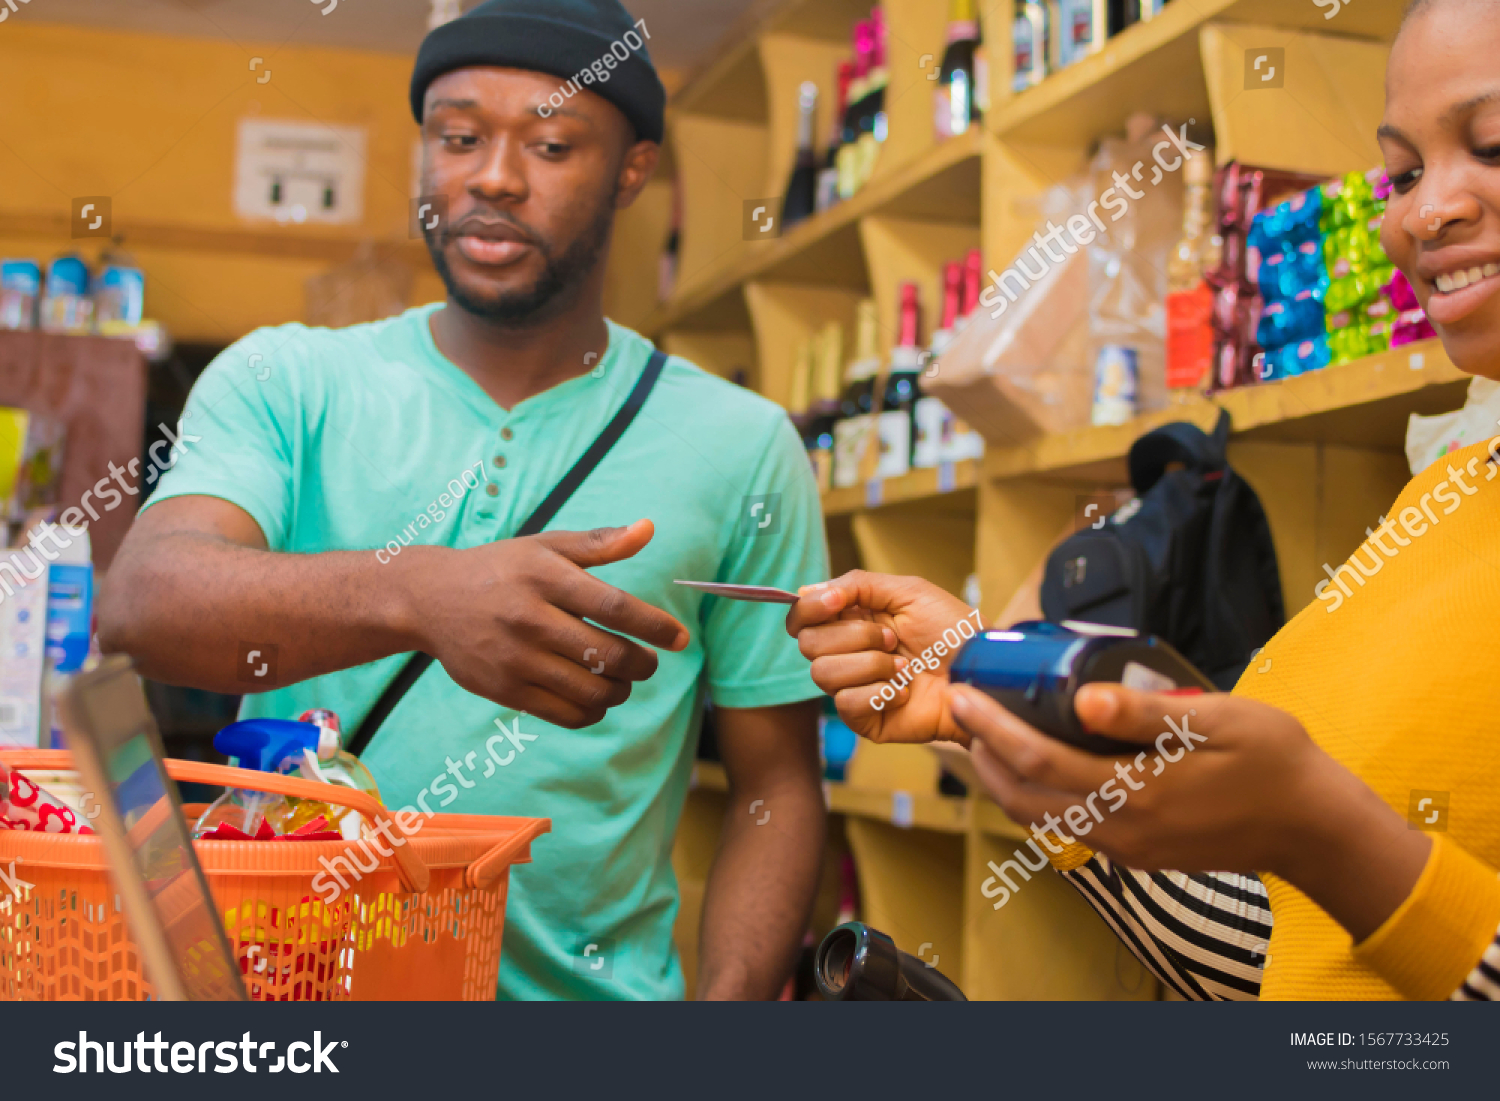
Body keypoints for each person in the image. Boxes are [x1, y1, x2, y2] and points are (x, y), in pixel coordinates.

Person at [99, 0, 830, 1001]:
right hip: (292, 1006)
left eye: (552, 142)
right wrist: (420, 596)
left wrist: (728, 1011)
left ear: (632, 169)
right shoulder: (289, 381)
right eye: (458, 136)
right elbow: (146, 603)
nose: (492, 176)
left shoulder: (743, 447)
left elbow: (777, 780)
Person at [785, 0, 1500, 1001]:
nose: (1420, 217)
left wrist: (1320, 829)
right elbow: (1280, 955)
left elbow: (1350, 883)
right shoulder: (1456, 492)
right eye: (1407, 171)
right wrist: (983, 699)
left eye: (1495, 146)